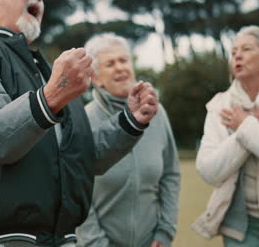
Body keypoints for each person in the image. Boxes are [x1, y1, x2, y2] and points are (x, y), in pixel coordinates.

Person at [0, 0, 159, 246]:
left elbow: (81, 155)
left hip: (63, 238)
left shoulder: (48, 71)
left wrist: (130, 121)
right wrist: (49, 98)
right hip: (1, 240)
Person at [75, 33, 180, 247]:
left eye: (124, 60)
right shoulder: (83, 120)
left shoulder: (156, 113)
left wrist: (165, 231)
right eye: (110, 63)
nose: (120, 67)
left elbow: (171, 174)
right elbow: (76, 194)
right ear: (95, 77)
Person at [192, 25, 259, 246]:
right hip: (240, 227)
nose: (238, 55)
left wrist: (245, 125)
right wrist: (247, 128)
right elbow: (209, 171)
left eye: (247, 49)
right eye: (233, 52)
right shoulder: (219, 106)